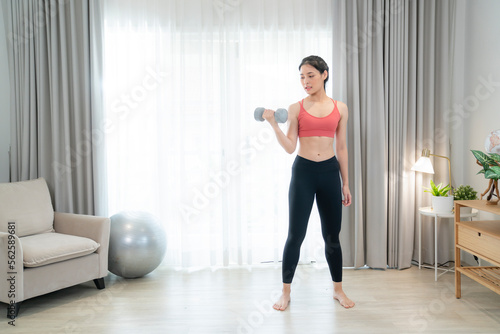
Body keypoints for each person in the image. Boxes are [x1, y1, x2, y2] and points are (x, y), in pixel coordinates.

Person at [262, 55, 354, 310]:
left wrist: (345, 183)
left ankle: (338, 290)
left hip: (329, 172)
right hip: (303, 173)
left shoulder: (340, 108)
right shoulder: (296, 108)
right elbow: (290, 147)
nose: (305, 81)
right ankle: (285, 293)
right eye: (302, 76)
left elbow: (342, 147)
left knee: (332, 236)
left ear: (324, 74)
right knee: (295, 235)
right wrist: (273, 125)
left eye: (310, 75)